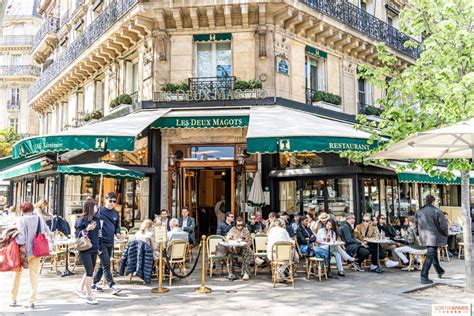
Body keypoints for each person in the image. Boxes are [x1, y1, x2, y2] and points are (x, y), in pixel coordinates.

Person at [10, 201, 50, 309]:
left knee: (17, 274)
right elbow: (47, 230)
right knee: (34, 276)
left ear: (22, 210)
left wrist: (15, 237)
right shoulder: (39, 218)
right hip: (37, 251)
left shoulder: (21, 220)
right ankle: (31, 301)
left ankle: (13, 299)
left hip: (24, 253)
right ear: (32, 209)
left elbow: (21, 239)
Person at [92, 192, 122, 295]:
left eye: (114, 201)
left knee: (102, 264)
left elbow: (117, 226)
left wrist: (118, 232)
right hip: (100, 242)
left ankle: (94, 282)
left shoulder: (116, 213)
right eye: (110, 201)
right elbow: (91, 221)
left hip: (110, 241)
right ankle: (113, 285)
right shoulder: (99, 211)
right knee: (106, 264)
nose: (112, 203)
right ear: (105, 200)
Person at [415, 195, 448, 284]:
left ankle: (439, 270)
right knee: (430, 254)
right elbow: (444, 226)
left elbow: (416, 225)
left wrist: (419, 235)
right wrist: (445, 234)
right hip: (434, 237)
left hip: (424, 237)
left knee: (432, 253)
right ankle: (424, 276)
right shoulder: (437, 211)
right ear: (433, 202)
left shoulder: (419, 211)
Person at [74, 198, 100, 305]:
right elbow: (77, 235)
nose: (97, 208)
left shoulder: (96, 219)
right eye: (95, 206)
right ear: (90, 207)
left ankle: (80, 289)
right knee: (90, 271)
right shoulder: (81, 220)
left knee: (90, 270)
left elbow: (98, 234)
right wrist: (87, 229)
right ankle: (89, 295)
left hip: (94, 248)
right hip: (85, 248)